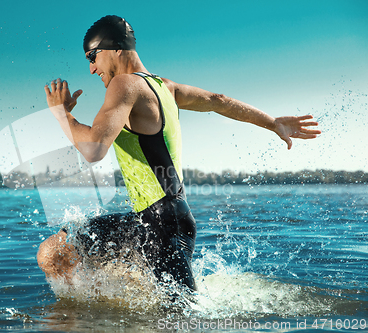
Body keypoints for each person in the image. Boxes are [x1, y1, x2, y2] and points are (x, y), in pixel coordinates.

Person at [37, 15, 320, 291]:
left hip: (162, 223)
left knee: (179, 319)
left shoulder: (125, 84)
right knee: (53, 253)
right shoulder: (166, 88)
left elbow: (94, 148)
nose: (91, 68)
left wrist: (62, 115)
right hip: (156, 220)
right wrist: (272, 122)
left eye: (92, 56)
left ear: (114, 48)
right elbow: (218, 101)